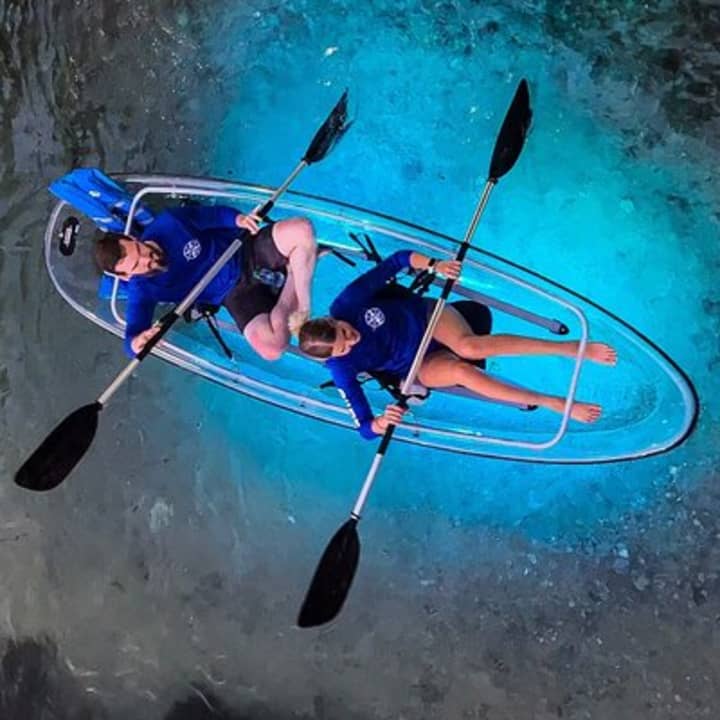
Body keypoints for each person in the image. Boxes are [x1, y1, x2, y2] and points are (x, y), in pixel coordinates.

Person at [298, 250, 617, 439]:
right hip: (415, 365)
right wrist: (382, 422)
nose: (351, 338)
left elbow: (396, 261)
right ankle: (553, 402)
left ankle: (572, 348)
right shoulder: (340, 369)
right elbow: (365, 428)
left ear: (331, 319)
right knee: (462, 371)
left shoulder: (346, 303)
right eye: (344, 346)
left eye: (344, 331)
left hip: (426, 317)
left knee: (469, 347)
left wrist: (433, 264)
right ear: (334, 358)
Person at [94, 204, 317, 360]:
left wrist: (238, 219)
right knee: (271, 349)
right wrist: (137, 343)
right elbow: (130, 340)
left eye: (139, 249)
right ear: (126, 276)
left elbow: (213, 215)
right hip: (233, 294)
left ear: (133, 238)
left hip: (243, 249)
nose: (146, 259)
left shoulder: (170, 222)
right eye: (137, 266)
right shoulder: (141, 290)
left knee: (302, 229)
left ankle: (304, 307)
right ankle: (291, 275)